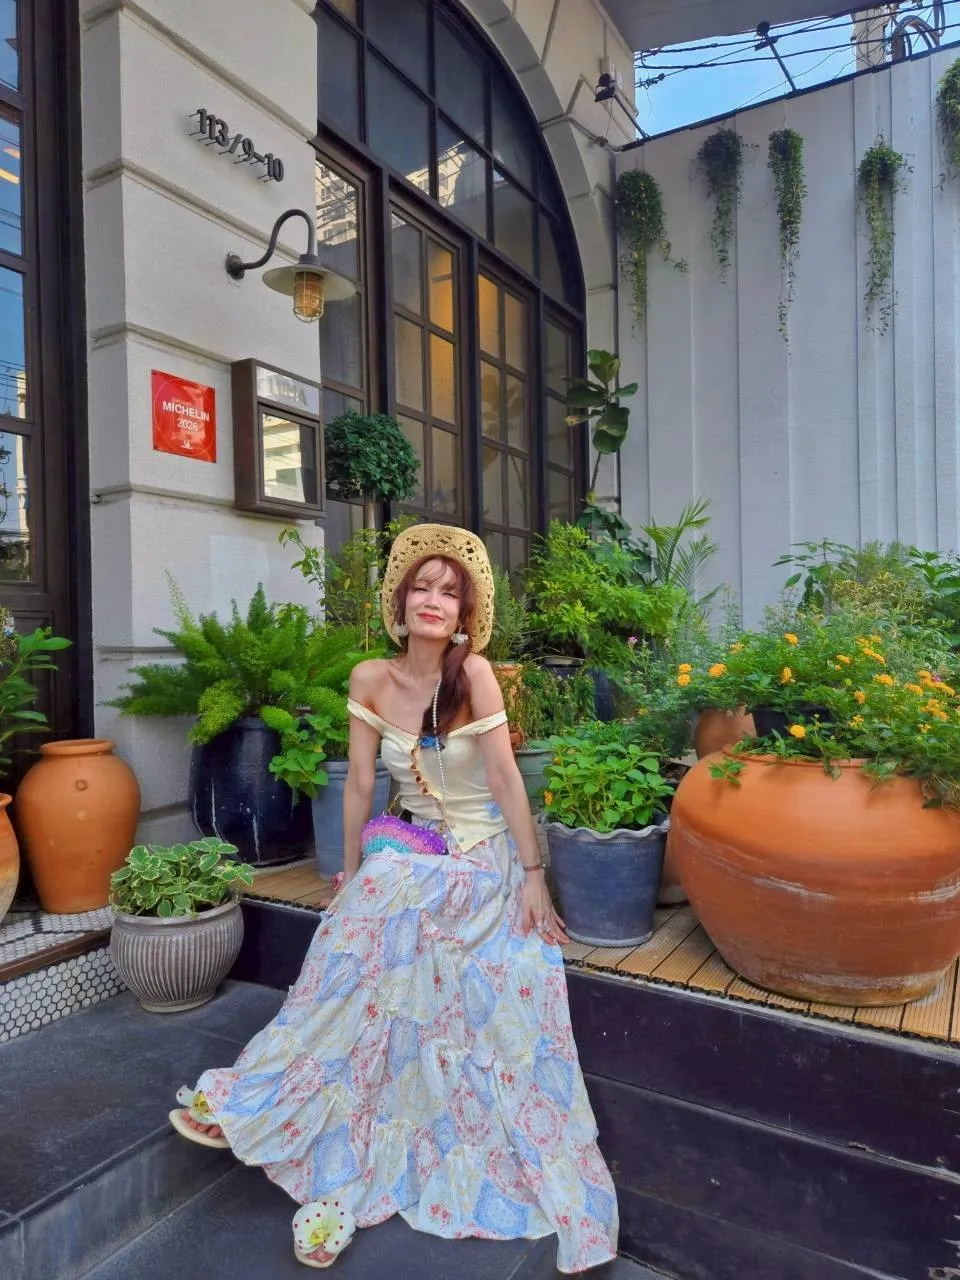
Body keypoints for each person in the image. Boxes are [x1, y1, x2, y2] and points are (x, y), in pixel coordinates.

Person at [169, 524, 619, 1272]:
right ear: (400, 602)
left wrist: (534, 874)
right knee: (364, 913)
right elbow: (359, 784)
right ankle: (263, 1095)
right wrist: (345, 876)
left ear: (465, 613)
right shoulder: (370, 678)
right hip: (412, 855)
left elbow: (506, 780)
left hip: (481, 861)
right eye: (422, 587)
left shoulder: (475, 676)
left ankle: (294, 1110)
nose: (433, 600)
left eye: (449, 592)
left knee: (394, 906)